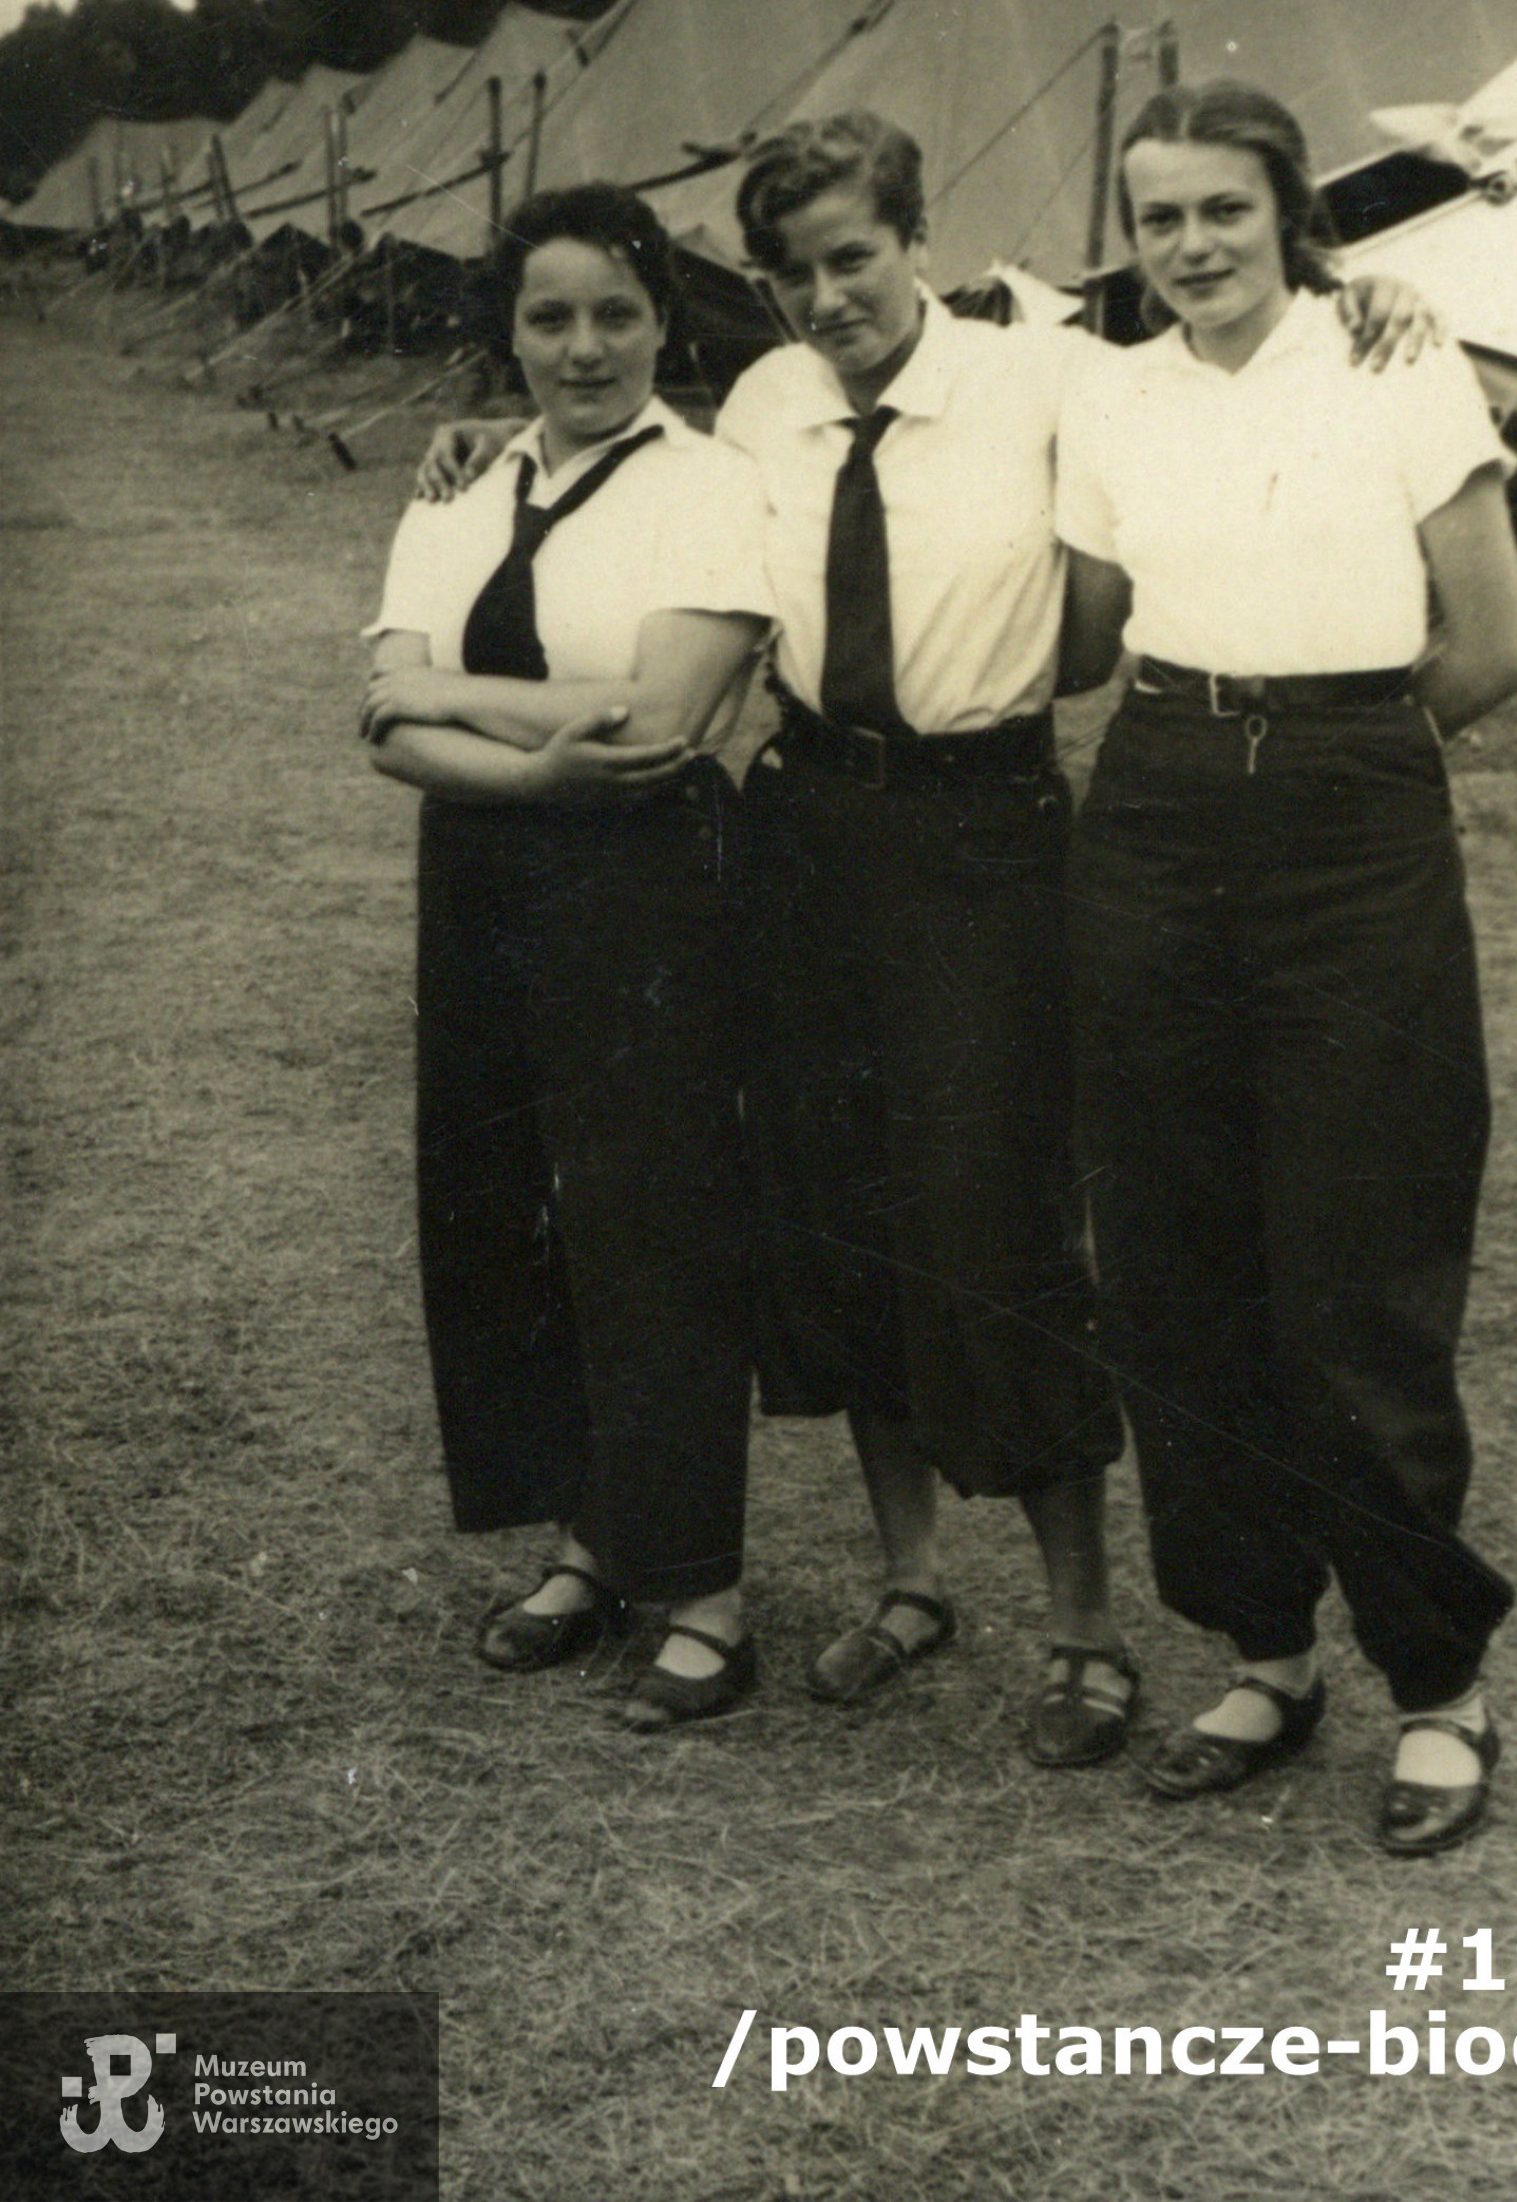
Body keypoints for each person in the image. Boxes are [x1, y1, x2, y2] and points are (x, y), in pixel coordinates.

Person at [414, 114, 1431, 1770]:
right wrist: (483, 435)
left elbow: (1216, 373)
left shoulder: (1053, 377)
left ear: (917, 241)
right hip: (808, 825)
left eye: (854, 259)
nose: (828, 299)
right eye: (792, 274)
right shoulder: (765, 402)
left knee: (996, 1219)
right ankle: (910, 1583)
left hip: (985, 835)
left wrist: (1373, 294)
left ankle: (1086, 1630)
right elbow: (625, 450)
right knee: (836, 1210)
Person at [1056, 81, 1517, 1854]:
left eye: (1224, 211)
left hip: (1353, 819)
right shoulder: (1108, 391)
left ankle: (1437, 1684)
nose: (1190, 245)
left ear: (1289, 214)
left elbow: (1495, 646)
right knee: (1172, 1256)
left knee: (1358, 1261)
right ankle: (1262, 1653)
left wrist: (1335, 764)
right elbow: (1080, 641)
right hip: (1156, 807)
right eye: (1159, 217)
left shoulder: (1398, 357)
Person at [359, 184, 771, 1733]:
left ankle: (704, 1594)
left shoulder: (712, 486)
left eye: (615, 313)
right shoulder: (460, 486)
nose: (583, 346)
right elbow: (384, 723)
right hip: (480, 866)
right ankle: (588, 1545)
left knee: (650, 1209)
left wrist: (448, 697)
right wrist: (534, 756)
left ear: (664, 321)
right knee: (502, 1197)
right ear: (511, 333)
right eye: (550, 317)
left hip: (644, 877)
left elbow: (660, 723)